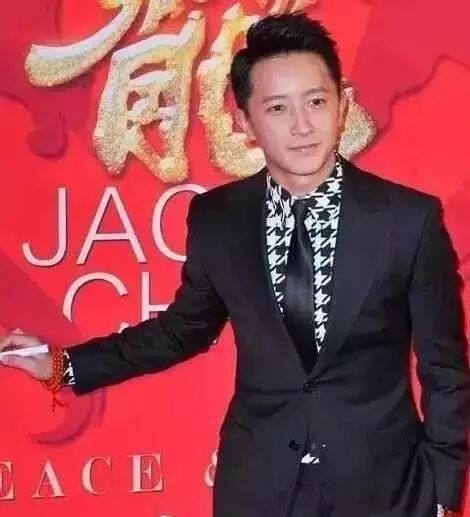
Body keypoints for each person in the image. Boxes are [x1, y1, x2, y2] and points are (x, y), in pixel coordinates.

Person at [1, 13, 468, 517]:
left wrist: (441, 493)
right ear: (245, 121)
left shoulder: (408, 220)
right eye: (277, 108)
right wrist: (62, 365)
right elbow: (181, 331)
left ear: (342, 106)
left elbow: (444, 368)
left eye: (316, 102)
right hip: (259, 488)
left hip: (386, 492)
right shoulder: (219, 218)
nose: (302, 126)